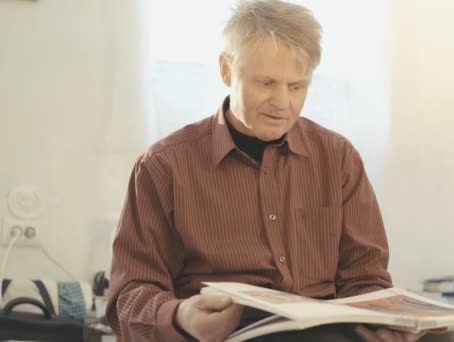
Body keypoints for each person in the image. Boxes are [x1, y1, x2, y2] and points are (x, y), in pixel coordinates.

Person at [106, 1, 424, 341]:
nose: (282, 103)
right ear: (226, 70)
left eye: (297, 86)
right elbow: (128, 295)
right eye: (267, 83)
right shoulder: (164, 165)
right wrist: (181, 315)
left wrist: (380, 321)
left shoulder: (338, 158)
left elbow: (366, 278)